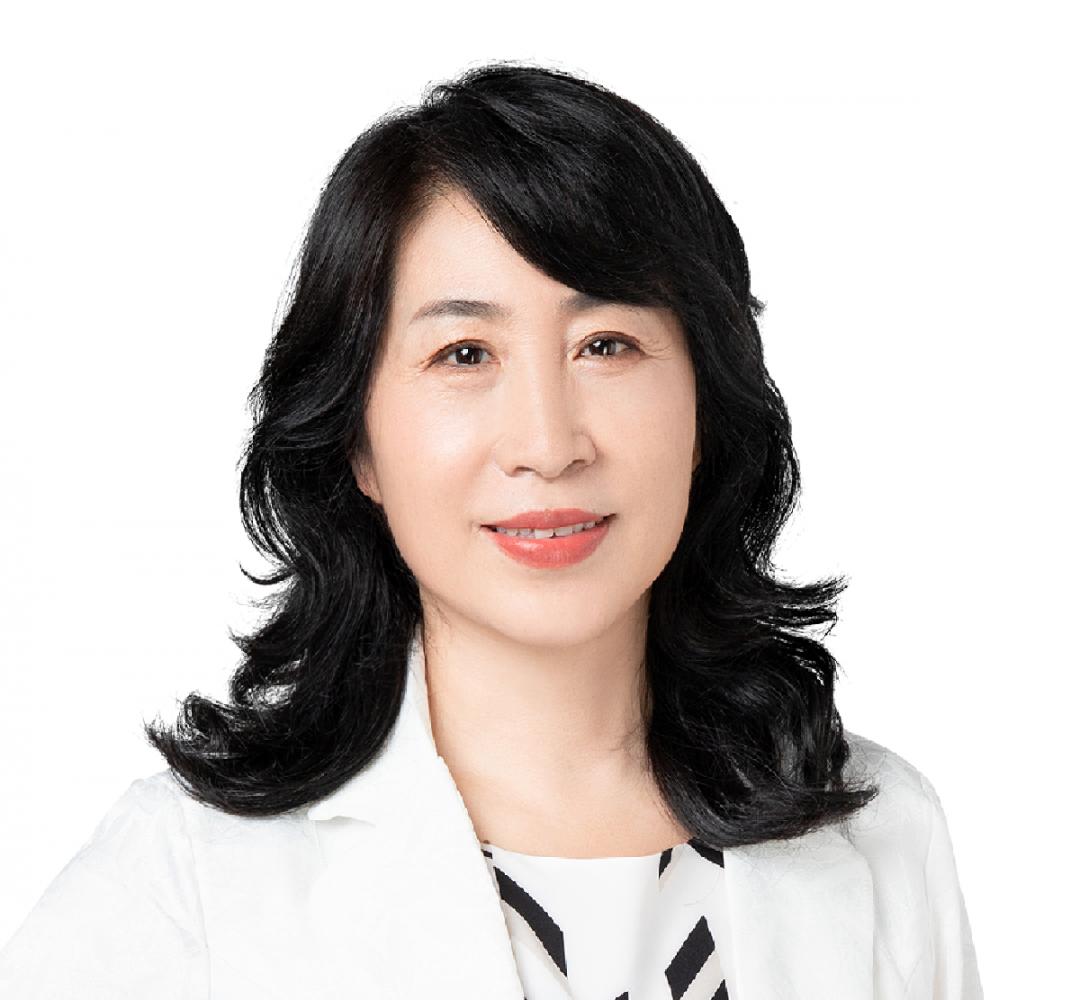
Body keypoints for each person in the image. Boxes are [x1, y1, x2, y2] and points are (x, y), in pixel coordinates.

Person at [0, 61, 983, 999]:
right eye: (464, 353)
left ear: (705, 410)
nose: (548, 445)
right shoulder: (182, 886)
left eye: (607, 344)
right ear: (357, 441)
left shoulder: (882, 835)